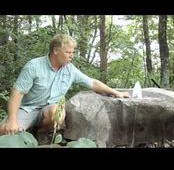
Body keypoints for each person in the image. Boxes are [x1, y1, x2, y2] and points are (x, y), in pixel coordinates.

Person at [0, 34, 130, 136]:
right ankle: (24, 128)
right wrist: (12, 120)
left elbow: (92, 82)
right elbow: (17, 93)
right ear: (56, 51)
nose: (71, 56)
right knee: (5, 132)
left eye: (72, 52)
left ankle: (42, 133)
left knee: (57, 112)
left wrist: (115, 92)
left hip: (50, 110)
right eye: (68, 52)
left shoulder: (70, 69)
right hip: (28, 109)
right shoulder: (34, 66)